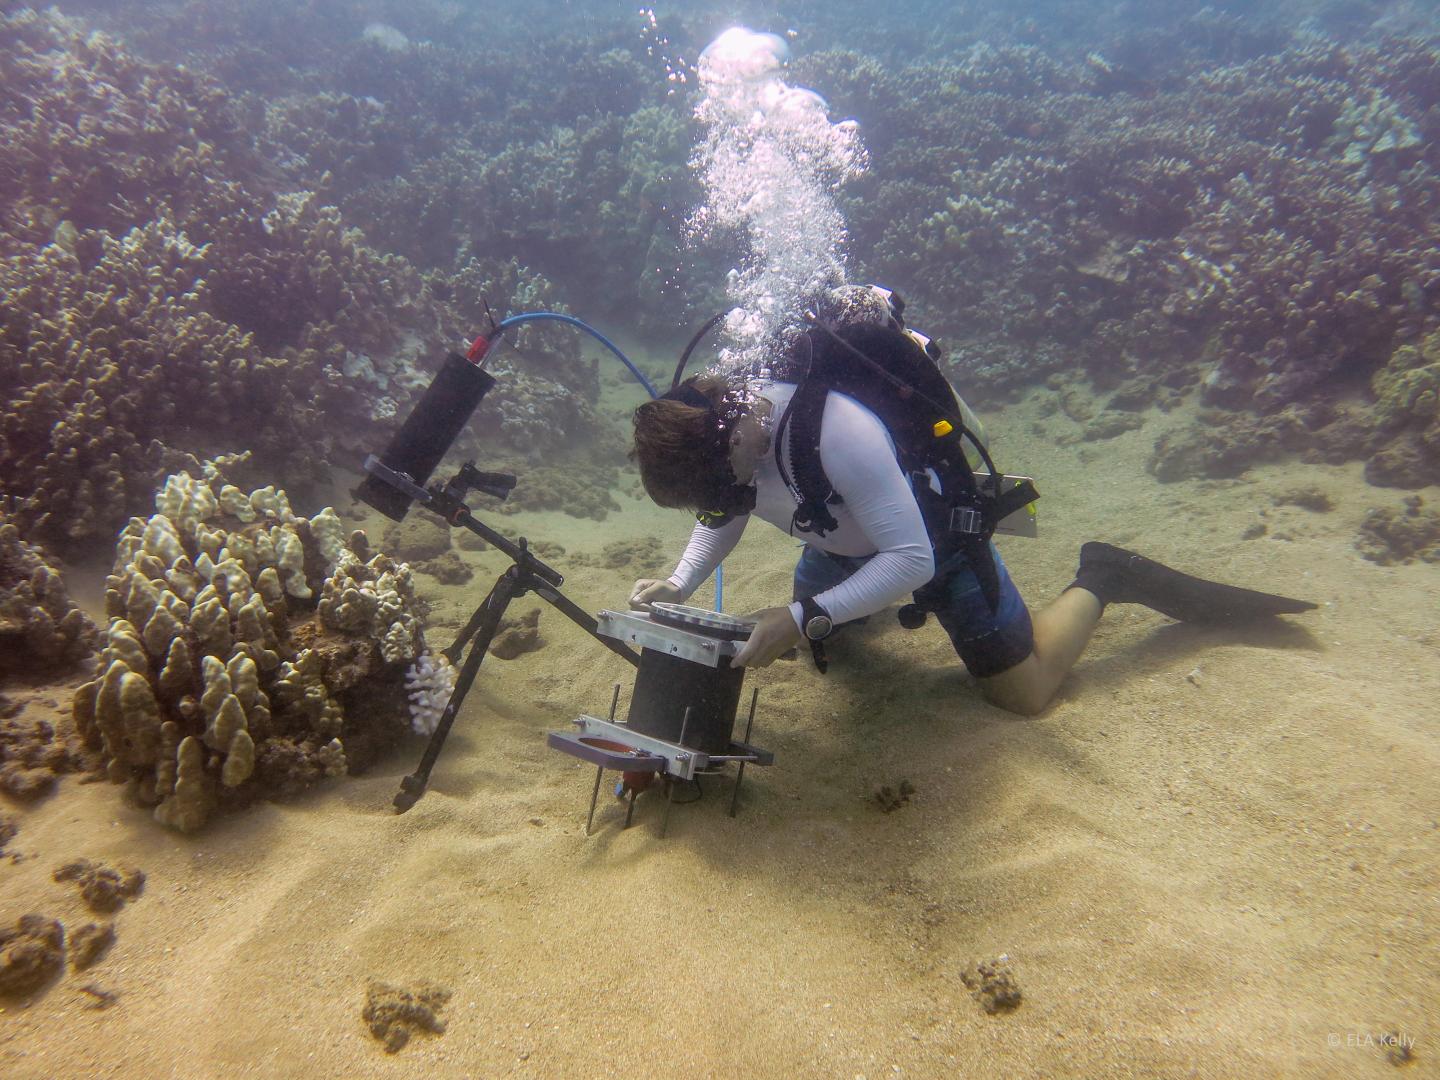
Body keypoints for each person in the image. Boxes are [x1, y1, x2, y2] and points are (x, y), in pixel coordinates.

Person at [628, 287, 1314, 716]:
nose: (727, 503)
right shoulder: (724, 436)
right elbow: (723, 510)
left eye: (725, 488)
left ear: (735, 438)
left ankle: (1105, 574)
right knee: (825, 647)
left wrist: (801, 615)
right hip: (837, 544)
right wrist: (680, 581)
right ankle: (837, 608)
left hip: (934, 546)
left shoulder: (836, 432)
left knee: (1024, 694)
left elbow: (911, 559)